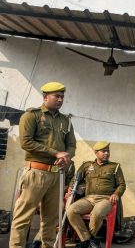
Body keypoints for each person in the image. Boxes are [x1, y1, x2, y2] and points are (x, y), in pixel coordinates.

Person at [10, 81, 76, 248]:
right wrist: (55, 153)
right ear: (46, 97)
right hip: (36, 174)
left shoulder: (65, 121)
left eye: (62, 96)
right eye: (57, 96)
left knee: (50, 220)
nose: (60, 99)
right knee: (23, 218)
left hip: (56, 175)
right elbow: (26, 143)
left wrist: (67, 155)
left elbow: (71, 144)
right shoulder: (31, 115)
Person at [66, 141, 126, 248]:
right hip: (88, 198)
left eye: (108, 151)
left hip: (106, 199)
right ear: (96, 153)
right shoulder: (87, 165)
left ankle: (88, 240)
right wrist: (71, 187)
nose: (106, 153)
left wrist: (116, 194)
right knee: (71, 211)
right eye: (103, 151)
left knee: (97, 213)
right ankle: (88, 240)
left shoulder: (115, 167)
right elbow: (76, 178)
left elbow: (122, 184)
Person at [30, 163, 76, 248]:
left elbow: (68, 184)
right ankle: (39, 240)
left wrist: (63, 190)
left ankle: (37, 240)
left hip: (56, 196)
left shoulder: (69, 165)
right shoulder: (45, 160)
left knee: (57, 208)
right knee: (46, 216)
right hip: (40, 193)